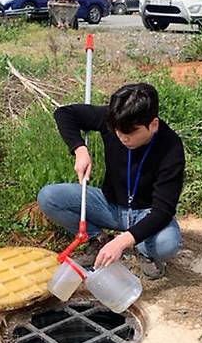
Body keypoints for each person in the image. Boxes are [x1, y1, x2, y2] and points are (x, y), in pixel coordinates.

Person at [37, 83, 185, 280]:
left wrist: (123, 241)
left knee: (168, 243)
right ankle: (97, 239)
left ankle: (142, 249)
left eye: (130, 132)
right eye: (117, 131)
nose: (123, 138)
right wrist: (79, 149)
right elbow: (64, 114)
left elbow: (163, 211)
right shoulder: (114, 119)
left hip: (146, 213)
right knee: (49, 197)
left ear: (153, 125)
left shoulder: (171, 147)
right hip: (109, 206)